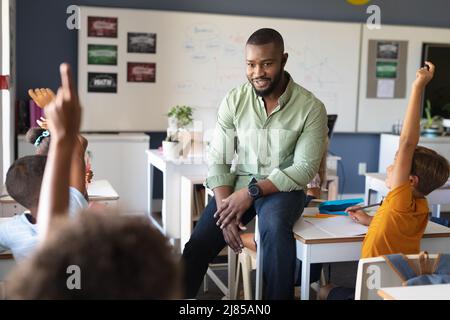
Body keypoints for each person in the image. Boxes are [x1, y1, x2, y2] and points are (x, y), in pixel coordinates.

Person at [7, 63, 180, 299]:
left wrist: (60, 129)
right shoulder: (73, 204)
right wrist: (61, 127)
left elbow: (52, 240)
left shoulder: (17, 232)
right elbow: (78, 152)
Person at [182, 28, 328, 299]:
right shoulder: (234, 100)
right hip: (236, 186)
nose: (257, 72)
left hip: (282, 188)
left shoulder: (311, 107)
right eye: (250, 64)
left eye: (267, 63)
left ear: (283, 60)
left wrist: (251, 193)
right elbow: (219, 160)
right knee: (197, 246)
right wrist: (225, 212)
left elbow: (305, 168)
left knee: (274, 230)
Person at [321, 61, 450, 300]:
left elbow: (407, 143)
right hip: (398, 290)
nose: (391, 168)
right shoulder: (419, 207)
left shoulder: (399, 198)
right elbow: (395, 230)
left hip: (372, 292)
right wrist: (370, 220)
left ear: (410, 180)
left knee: (324, 290)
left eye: (395, 163)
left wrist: (417, 86)